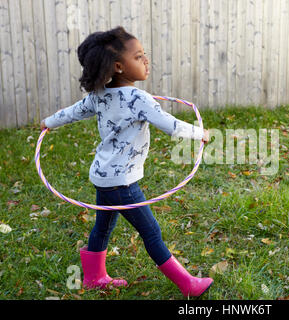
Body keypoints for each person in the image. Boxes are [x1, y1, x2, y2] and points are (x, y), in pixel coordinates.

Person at [40, 26, 213, 297]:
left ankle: (94, 278)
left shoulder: (98, 96)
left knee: (103, 225)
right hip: (123, 183)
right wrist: (199, 134)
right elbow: (171, 126)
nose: (146, 60)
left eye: (145, 55)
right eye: (139, 56)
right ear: (119, 66)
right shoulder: (139, 99)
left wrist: (48, 122)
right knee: (151, 233)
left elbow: (72, 112)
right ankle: (188, 284)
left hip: (102, 176)